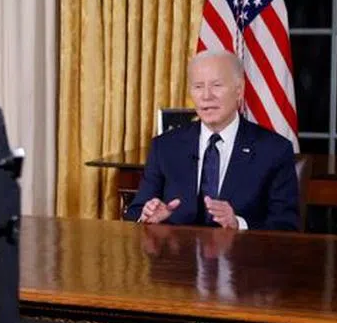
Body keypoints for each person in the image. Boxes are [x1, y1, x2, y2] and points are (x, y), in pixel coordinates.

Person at [124, 49, 300, 231]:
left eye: (216, 85)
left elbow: (286, 226)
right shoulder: (165, 147)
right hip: (178, 257)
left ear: (239, 91)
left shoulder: (273, 150)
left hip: (242, 256)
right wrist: (147, 217)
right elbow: (135, 212)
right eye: (198, 87)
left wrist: (238, 224)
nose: (206, 96)